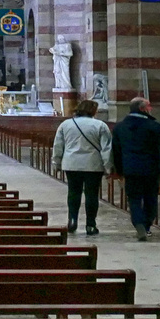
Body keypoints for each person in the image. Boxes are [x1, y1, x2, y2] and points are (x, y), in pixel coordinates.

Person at [111, 95, 160, 241]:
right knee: (150, 198)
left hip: (130, 168)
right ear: (142, 109)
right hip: (150, 168)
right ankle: (146, 225)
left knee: (134, 198)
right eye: (149, 106)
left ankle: (138, 223)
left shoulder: (120, 127)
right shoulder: (153, 126)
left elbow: (116, 151)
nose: (151, 109)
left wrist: (119, 170)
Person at [51, 98, 112, 235]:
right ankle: (90, 225)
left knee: (73, 192)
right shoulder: (100, 125)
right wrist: (108, 167)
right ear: (93, 111)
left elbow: (58, 146)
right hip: (93, 164)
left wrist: (56, 162)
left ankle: (72, 221)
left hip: (72, 163)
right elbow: (106, 149)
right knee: (91, 194)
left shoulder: (66, 124)